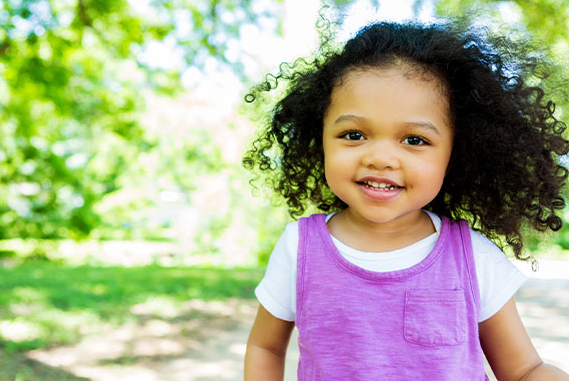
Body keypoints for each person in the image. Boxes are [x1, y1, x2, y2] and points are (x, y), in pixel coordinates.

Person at [242, 19, 569, 380]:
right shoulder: (299, 249)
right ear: (319, 138)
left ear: (455, 154)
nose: (380, 158)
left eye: (414, 140)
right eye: (353, 134)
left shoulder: (472, 257)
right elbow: (265, 347)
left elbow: (526, 370)